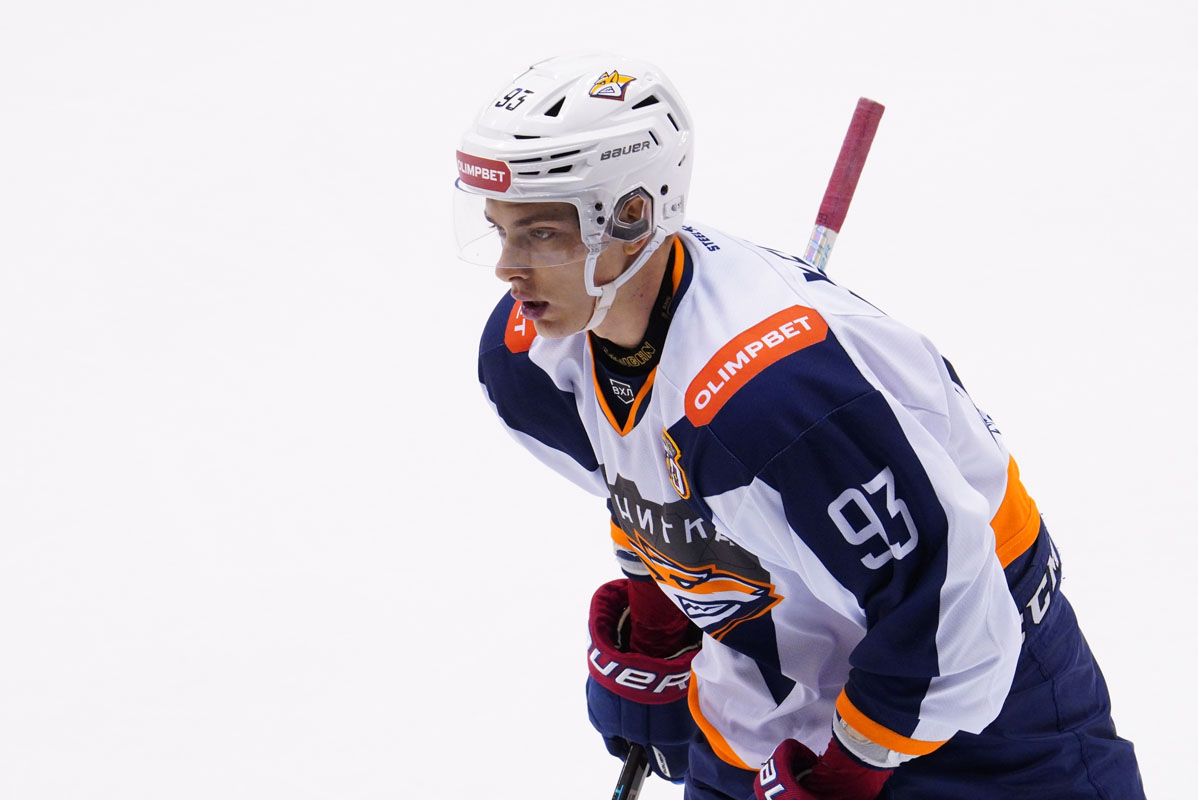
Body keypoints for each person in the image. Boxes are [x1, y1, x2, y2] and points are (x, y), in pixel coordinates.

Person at [455, 54, 1145, 800]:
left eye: (541, 234)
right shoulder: (532, 360)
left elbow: (950, 605)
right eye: (499, 230)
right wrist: (662, 620)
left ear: (631, 217)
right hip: (765, 683)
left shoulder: (780, 401)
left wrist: (847, 773)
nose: (507, 268)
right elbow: (650, 479)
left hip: (983, 703)